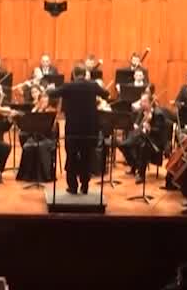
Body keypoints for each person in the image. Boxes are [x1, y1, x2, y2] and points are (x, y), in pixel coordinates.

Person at [47, 64, 110, 195]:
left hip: (73, 129)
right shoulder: (93, 85)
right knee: (87, 157)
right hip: (89, 129)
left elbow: (52, 94)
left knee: (71, 157)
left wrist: (50, 88)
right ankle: (85, 185)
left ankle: (73, 186)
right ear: (85, 74)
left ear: (74, 74)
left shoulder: (68, 86)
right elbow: (106, 94)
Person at [119, 91, 168, 183]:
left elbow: (160, 131)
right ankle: (135, 165)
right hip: (142, 136)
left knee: (143, 146)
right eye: (141, 101)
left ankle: (141, 175)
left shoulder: (158, 114)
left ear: (150, 102)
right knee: (123, 145)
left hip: (154, 140)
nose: (142, 103)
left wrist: (150, 129)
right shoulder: (142, 111)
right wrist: (136, 125)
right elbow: (138, 124)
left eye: (145, 101)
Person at [16, 88, 58, 183]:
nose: (43, 103)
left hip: (48, 139)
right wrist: (36, 110)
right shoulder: (36, 110)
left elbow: (53, 129)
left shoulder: (51, 112)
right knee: (28, 146)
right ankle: (28, 175)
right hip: (35, 138)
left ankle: (44, 176)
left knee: (41, 147)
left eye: (45, 101)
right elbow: (30, 125)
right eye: (42, 101)